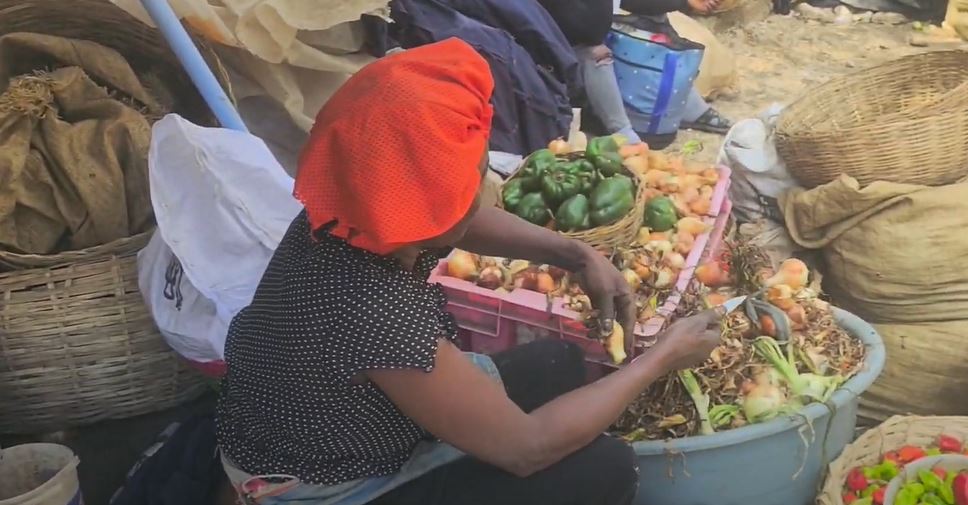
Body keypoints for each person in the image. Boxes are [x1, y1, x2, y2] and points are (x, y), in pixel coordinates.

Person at [215, 37, 721, 505]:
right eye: (476, 177)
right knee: (605, 469)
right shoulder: (376, 311)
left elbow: (457, 218)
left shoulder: (347, 214)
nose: (484, 189)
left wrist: (577, 254)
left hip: (331, 420)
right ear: (430, 211)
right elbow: (528, 449)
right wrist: (658, 360)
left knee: (559, 364)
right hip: (327, 483)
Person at [538, 0, 733, 141]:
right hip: (553, 36)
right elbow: (587, 27)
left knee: (655, 17)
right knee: (594, 50)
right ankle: (622, 131)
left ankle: (689, 107)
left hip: (590, 19)